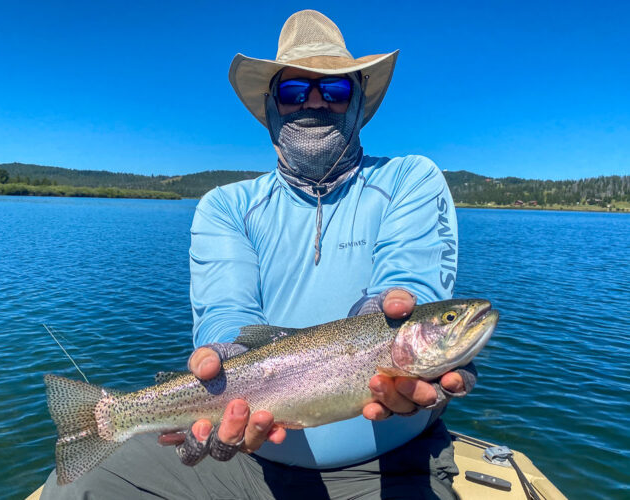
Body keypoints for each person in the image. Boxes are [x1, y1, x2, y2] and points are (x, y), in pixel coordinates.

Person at [41, 9, 476, 500]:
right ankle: (112, 416)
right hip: (246, 459)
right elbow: (226, 313)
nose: (315, 103)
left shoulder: (408, 179)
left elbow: (407, 283)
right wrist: (223, 354)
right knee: (72, 489)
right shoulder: (226, 206)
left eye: (334, 91)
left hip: (390, 464)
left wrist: (383, 314)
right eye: (294, 92)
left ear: (357, 102)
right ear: (272, 107)